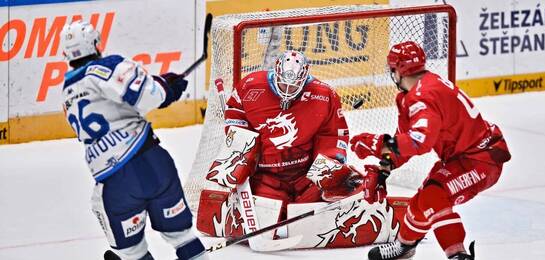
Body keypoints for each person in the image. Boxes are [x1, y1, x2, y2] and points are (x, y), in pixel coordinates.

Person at [60, 21, 208, 260]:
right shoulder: (106, 66)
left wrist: (161, 84)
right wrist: (166, 88)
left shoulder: (67, 92)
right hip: (151, 163)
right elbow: (148, 96)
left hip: (114, 181)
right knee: (183, 237)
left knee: (131, 253)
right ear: (95, 43)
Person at [350, 41, 511, 260]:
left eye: (393, 69)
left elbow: (419, 142)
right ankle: (405, 246)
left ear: (399, 70)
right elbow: (403, 143)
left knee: (434, 196)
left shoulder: (422, 96)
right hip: (462, 157)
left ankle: (457, 255)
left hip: (481, 159)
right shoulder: (415, 92)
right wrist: (384, 169)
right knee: (420, 202)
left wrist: (376, 143)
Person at [218, 50, 352, 219]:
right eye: (283, 84)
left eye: (295, 85)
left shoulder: (324, 95)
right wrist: (239, 152)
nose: (288, 90)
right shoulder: (250, 86)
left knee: (339, 197)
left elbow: (332, 135)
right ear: (276, 73)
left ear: (304, 79)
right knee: (264, 217)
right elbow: (236, 119)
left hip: (305, 175)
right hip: (265, 176)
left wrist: (332, 162)